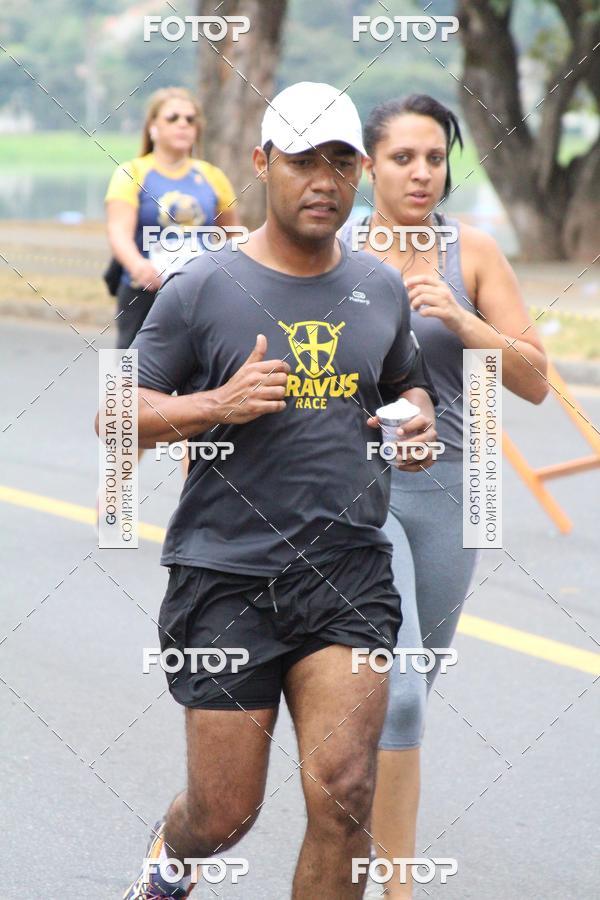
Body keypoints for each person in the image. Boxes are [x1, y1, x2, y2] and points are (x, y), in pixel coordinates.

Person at [113, 81, 439, 899]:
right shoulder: (200, 286)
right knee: (224, 814)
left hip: (348, 573)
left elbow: (409, 385)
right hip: (226, 574)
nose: (322, 180)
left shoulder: (381, 288)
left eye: (339, 161)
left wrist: (415, 424)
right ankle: (171, 859)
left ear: (360, 171)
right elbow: (117, 414)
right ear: (263, 164)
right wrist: (215, 406)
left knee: (346, 793)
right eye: (301, 161)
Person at [340, 95, 549, 899]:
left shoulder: (477, 253)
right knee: (395, 702)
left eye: (435, 157)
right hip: (353, 493)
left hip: (451, 496)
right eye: (403, 158)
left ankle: (346, 831)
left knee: (408, 694)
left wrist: (464, 321)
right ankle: (396, 888)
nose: (422, 173)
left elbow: (533, 382)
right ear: (368, 166)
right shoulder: (336, 249)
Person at [105, 86, 239, 350]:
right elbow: (118, 232)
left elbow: (232, 237)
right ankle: (113, 393)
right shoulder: (131, 172)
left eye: (190, 120)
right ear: (153, 127)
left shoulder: (213, 176)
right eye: (173, 118)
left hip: (199, 294)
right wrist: (138, 267)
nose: (183, 125)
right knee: (122, 373)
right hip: (143, 291)